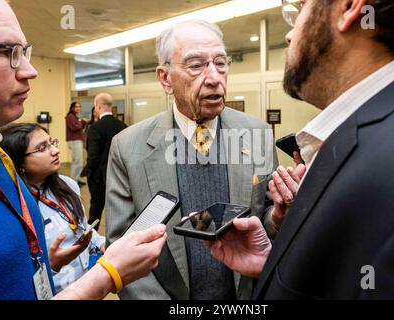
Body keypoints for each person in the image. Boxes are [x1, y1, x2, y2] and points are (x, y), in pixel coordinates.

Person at [207, 0, 394, 299]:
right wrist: (280, 264)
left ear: (349, 7)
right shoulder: (385, 132)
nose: (290, 35)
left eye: (301, 7)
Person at [0, 0, 166, 300]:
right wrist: (108, 274)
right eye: (10, 53)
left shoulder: (2, 159)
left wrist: (47, 263)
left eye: (25, 53)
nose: (30, 71)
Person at [105, 20, 286, 300]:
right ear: (165, 78)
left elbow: (266, 219)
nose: (214, 77)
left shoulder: (257, 133)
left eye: (220, 63)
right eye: (196, 65)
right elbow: (122, 246)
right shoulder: (128, 147)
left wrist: (277, 216)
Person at [0, 123, 107, 293]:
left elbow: (84, 230)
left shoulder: (68, 185)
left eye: (51, 143)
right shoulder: (15, 207)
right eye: (42, 148)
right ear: (19, 163)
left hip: (87, 285)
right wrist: (53, 265)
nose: (55, 151)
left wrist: (102, 243)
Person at [86, 93, 127, 229]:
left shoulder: (96, 128)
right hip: (119, 177)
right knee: (119, 213)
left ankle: (91, 242)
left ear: (98, 107)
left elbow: (93, 156)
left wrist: (88, 171)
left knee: (95, 212)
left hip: (99, 178)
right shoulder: (123, 126)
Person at [65, 102, 87, 186]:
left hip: (77, 140)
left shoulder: (75, 117)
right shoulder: (70, 116)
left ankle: (77, 179)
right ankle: (73, 181)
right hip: (74, 140)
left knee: (79, 162)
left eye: (79, 107)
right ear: (72, 108)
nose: (78, 108)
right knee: (76, 162)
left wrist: (82, 122)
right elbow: (75, 127)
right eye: (76, 107)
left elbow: (79, 126)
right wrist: (82, 121)